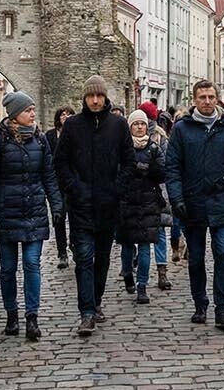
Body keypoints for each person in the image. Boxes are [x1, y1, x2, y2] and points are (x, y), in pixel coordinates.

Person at [165, 80, 224, 330]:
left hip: (222, 200)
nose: (207, 101)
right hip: (193, 202)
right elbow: (173, 167)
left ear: (217, 99)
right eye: (202, 97)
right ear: (194, 100)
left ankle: (222, 309)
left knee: (223, 253)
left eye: (211, 97)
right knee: (197, 257)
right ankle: (200, 302)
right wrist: (177, 198)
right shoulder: (182, 129)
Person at [54, 75, 133, 336]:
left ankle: (96, 301)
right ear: (85, 98)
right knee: (84, 259)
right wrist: (74, 188)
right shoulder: (74, 125)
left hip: (108, 205)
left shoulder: (119, 125)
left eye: (99, 96)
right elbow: (61, 162)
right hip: (81, 205)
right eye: (91, 96)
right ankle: (86, 312)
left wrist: (117, 189)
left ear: (105, 97)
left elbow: (129, 162)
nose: (95, 100)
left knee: (102, 259)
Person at [0, 91, 63, 340]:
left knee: (32, 264)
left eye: (32, 109)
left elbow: (49, 175)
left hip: (33, 210)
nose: (32, 113)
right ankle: (11, 314)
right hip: (7, 211)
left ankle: (32, 317)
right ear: (15, 114)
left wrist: (57, 204)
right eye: (28, 110)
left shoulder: (40, 139)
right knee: (7, 267)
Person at [118, 110, 168, 304]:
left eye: (142, 124)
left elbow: (163, 173)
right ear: (130, 127)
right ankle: (128, 273)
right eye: (135, 124)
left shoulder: (154, 148)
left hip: (148, 202)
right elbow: (118, 172)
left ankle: (142, 286)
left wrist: (150, 169)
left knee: (145, 247)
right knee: (127, 246)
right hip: (127, 202)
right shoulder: (123, 148)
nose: (139, 127)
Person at [46, 107, 74, 270]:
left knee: (75, 217)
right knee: (59, 218)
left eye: (69, 114)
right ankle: (62, 252)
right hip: (56, 182)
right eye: (63, 114)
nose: (66, 117)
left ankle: (74, 244)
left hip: (72, 181)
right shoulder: (50, 135)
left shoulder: (77, 133)